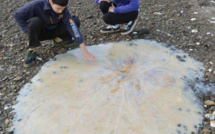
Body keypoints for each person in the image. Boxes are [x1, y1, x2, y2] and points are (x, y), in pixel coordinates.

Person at [14, 0, 95, 68]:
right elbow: (18, 15)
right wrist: (28, 32)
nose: (60, 11)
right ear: (50, 1)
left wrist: (84, 49)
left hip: (54, 30)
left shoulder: (64, 10)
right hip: (39, 33)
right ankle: (32, 50)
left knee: (74, 21)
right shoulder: (36, 5)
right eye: (58, 8)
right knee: (34, 22)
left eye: (63, 9)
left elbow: (72, 27)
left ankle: (59, 40)